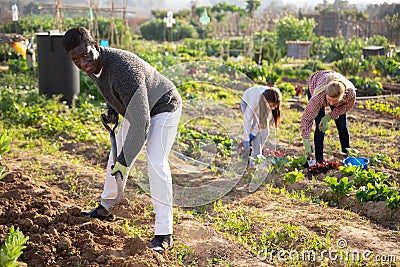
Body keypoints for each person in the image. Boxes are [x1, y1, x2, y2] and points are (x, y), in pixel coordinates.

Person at [62, 27, 182, 252]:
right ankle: (106, 207)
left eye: (85, 54)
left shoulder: (124, 69)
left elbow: (142, 123)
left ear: (96, 46)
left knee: (155, 161)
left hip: (164, 106)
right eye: (75, 59)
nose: (82, 62)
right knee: (114, 155)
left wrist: (126, 161)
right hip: (136, 109)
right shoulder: (90, 64)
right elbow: (111, 88)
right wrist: (112, 108)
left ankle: (164, 233)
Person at [301, 70, 356, 163]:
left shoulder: (350, 94)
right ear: (326, 94)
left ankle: (347, 156)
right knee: (320, 126)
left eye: (334, 102)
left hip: (335, 85)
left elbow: (346, 107)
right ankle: (319, 161)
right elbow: (307, 117)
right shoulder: (318, 97)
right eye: (329, 100)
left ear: (342, 97)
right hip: (316, 82)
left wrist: (330, 116)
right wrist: (306, 139)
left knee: (342, 125)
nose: (331, 104)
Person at [241, 86, 282, 164]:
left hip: (260, 105)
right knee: (255, 133)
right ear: (265, 102)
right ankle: (254, 158)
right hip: (246, 101)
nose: (272, 108)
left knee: (264, 131)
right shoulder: (254, 101)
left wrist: (253, 133)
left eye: (274, 106)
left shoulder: (272, 98)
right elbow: (247, 120)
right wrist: (246, 138)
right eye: (270, 106)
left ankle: (256, 154)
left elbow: (261, 123)